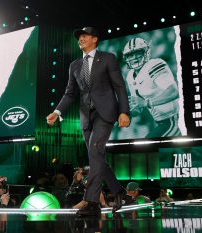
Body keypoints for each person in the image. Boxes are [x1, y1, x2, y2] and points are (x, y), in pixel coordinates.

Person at [46, 27, 130, 215]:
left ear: (95, 39)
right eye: (79, 37)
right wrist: (57, 111)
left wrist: (124, 111)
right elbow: (70, 93)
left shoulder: (107, 58)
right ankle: (117, 191)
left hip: (105, 113)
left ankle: (91, 201)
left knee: (94, 151)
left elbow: (119, 86)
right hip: (85, 116)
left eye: (85, 36)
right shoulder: (75, 65)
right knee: (96, 156)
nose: (81, 39)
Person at [122, 37, 181, 138]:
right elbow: (138, 107)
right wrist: (127, 114)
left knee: (147, 145)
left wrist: (147, 102)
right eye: (130, 55)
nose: (134, 57)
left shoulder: (154, 65)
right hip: (161, 123)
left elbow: (174, 92)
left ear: (146, 53)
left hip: (175, 119)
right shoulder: (130, 76)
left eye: (138, 53)